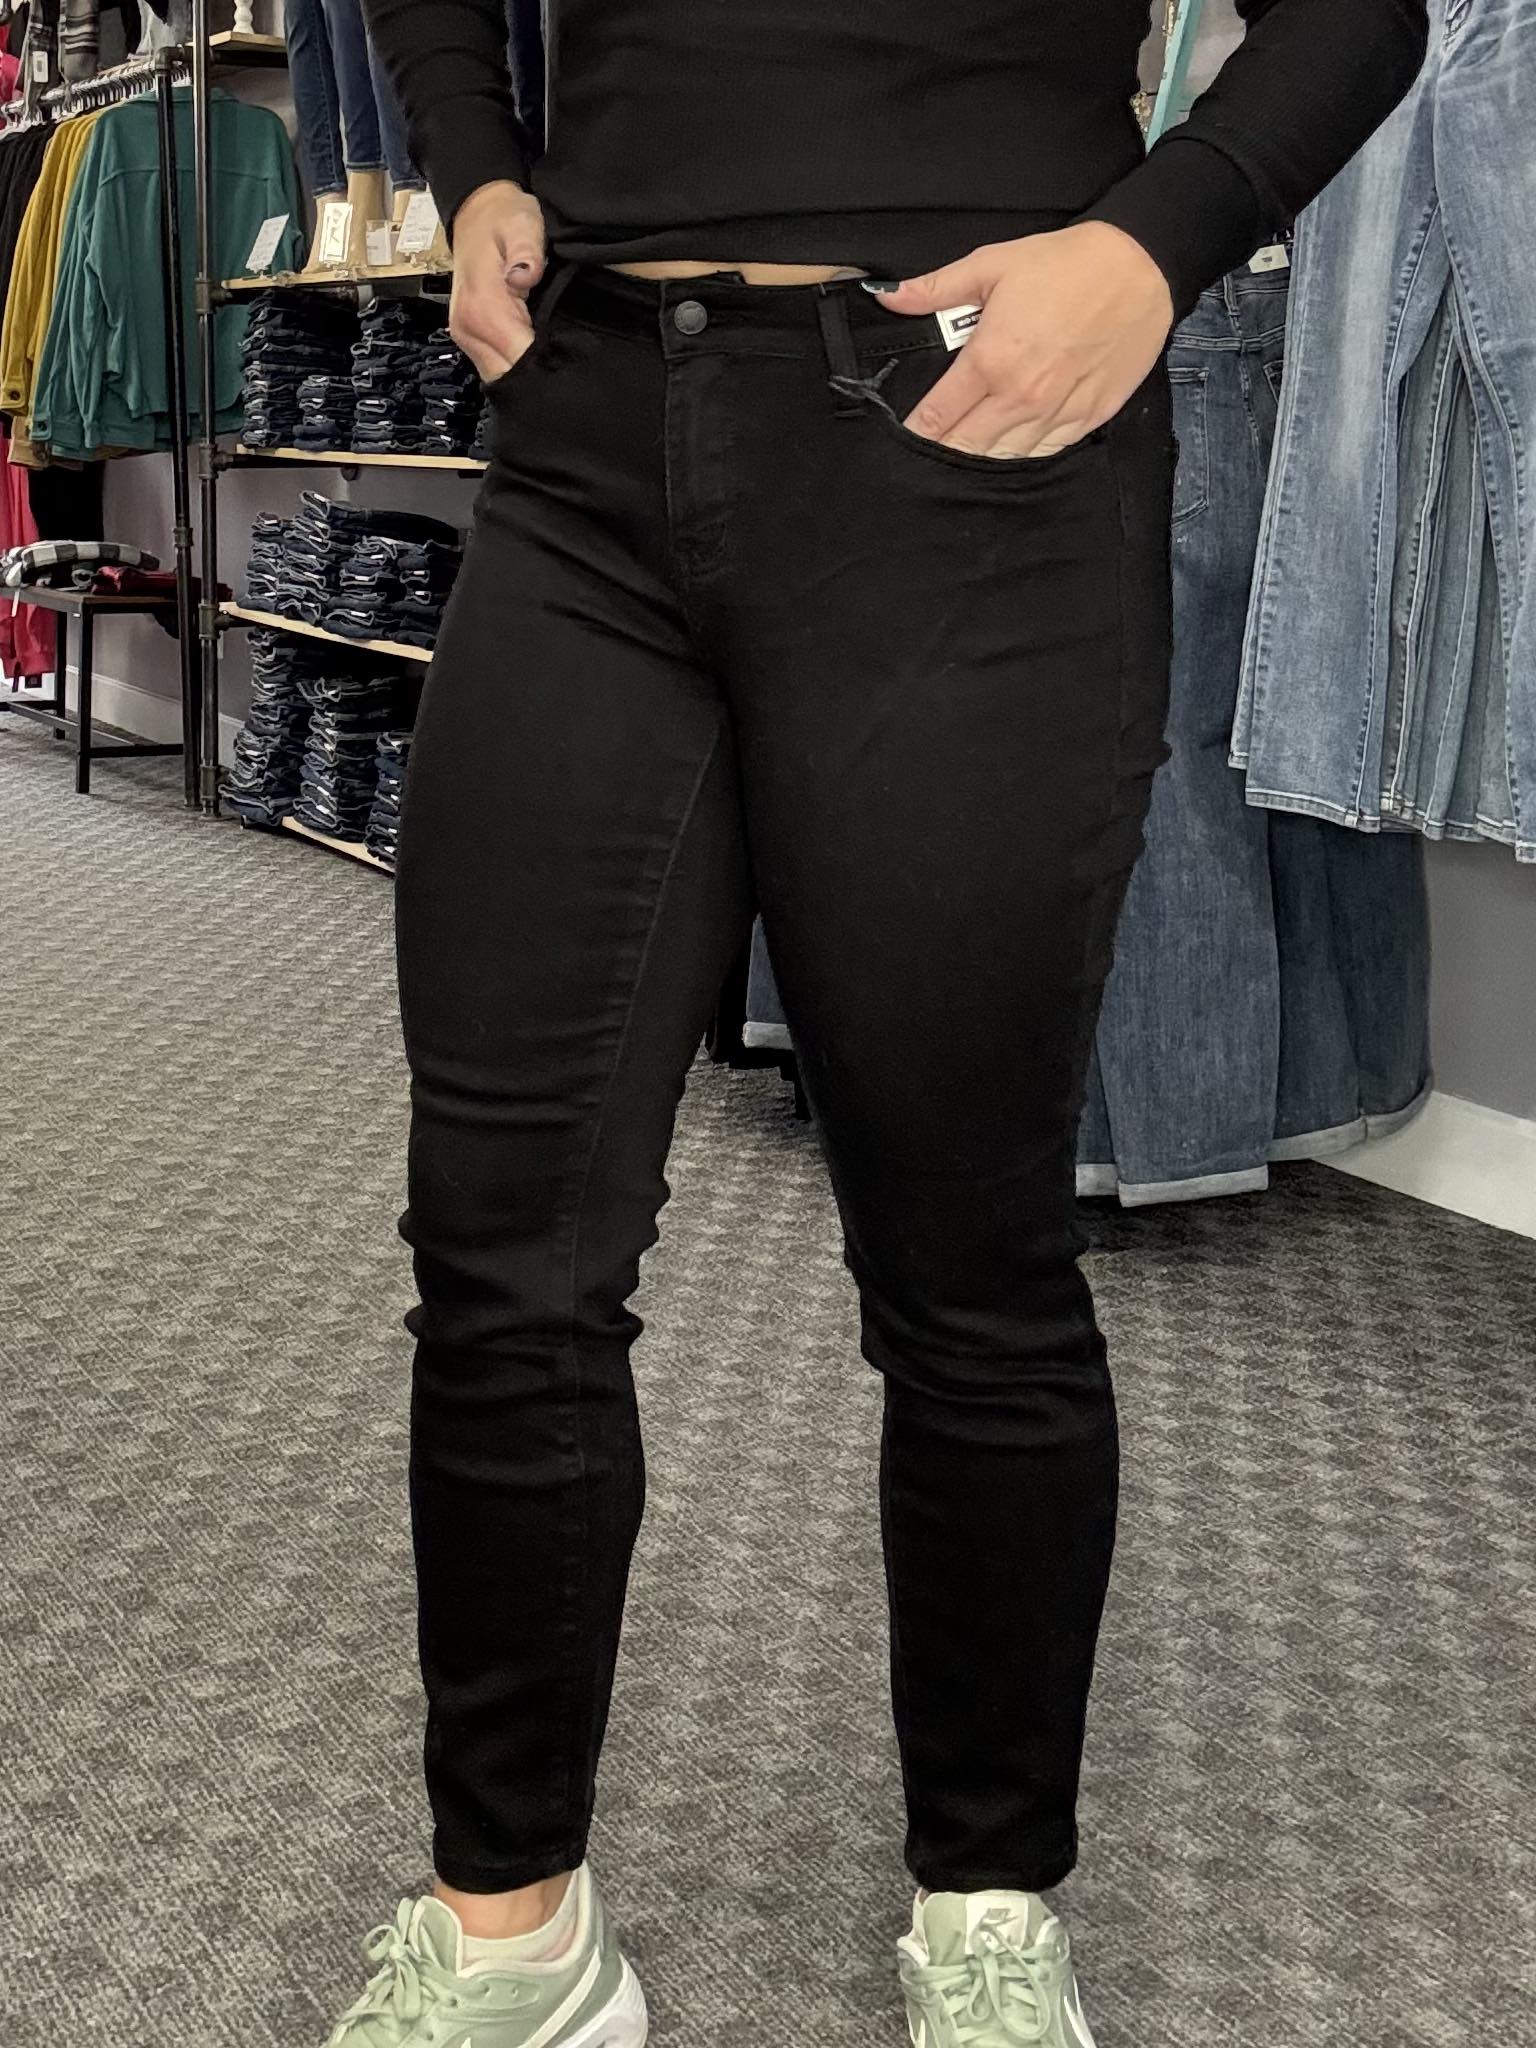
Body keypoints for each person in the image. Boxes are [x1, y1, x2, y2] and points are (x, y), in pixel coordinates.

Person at [328, 4, 1427, 2043]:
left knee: (966, 1265)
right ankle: (510, 1929)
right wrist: (474, 157)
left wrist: (1162, 236)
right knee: (501, 1250)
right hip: (585, 446)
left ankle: (989, 1901)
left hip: (969, 439)